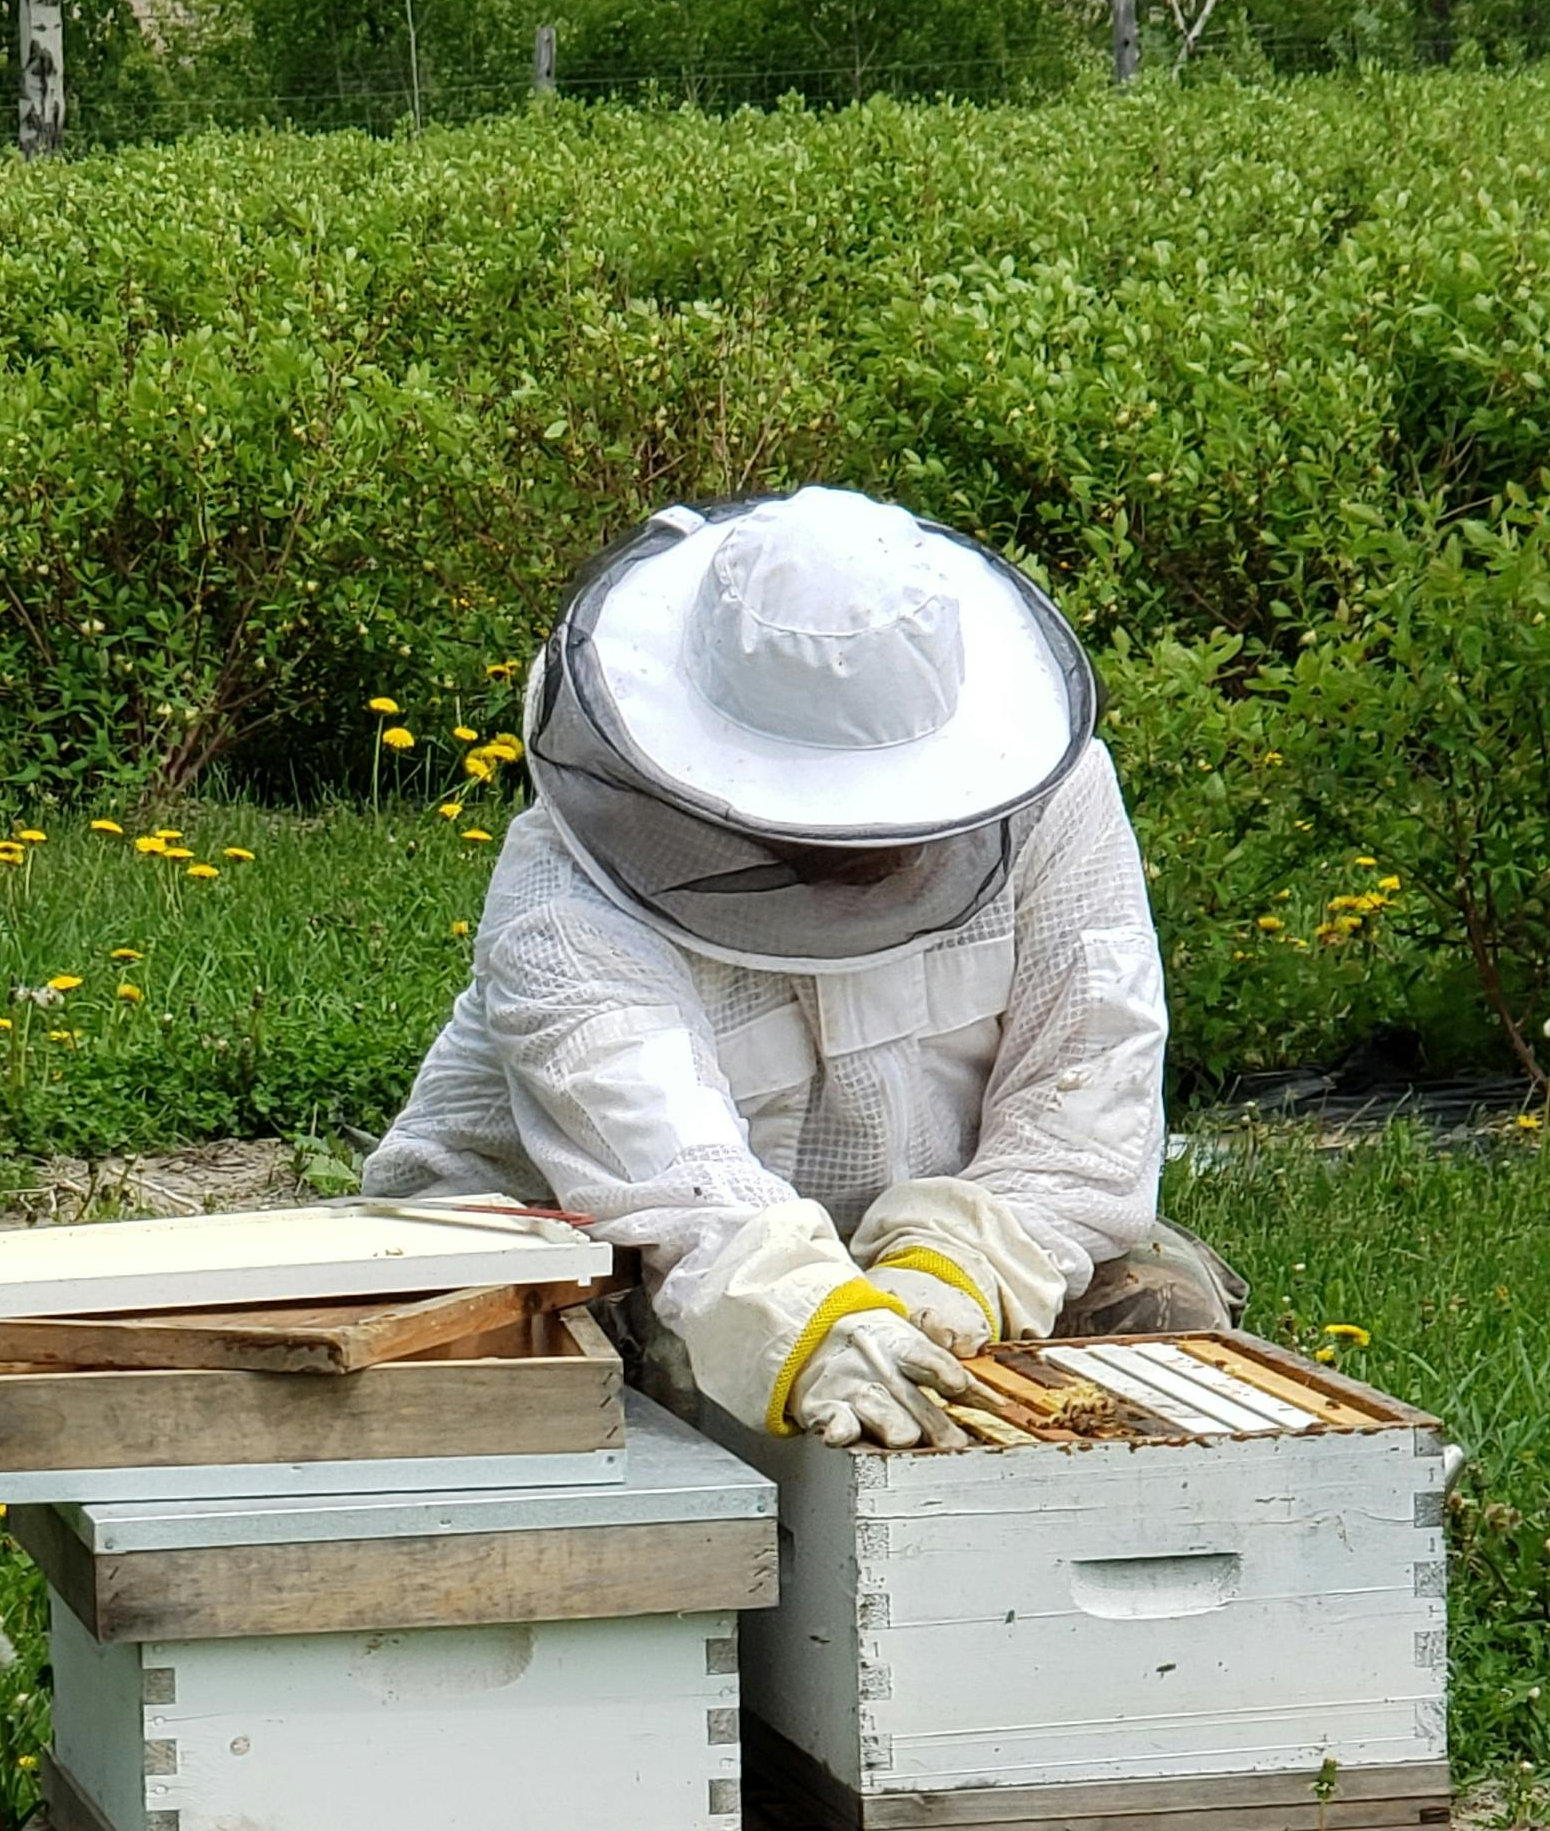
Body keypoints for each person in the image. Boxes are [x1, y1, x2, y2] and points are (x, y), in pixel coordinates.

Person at [364, 486, 1240, 1450]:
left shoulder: (1050, 796)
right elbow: (668, 1171)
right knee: (575, 1371)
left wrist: (946, 1275)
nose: (862, 840)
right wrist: (810, 1320)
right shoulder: (565, 892)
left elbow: (1086, 1100)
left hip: (912, 1247)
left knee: (1159, 1300)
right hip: (606, 1252)